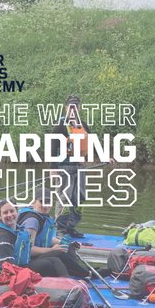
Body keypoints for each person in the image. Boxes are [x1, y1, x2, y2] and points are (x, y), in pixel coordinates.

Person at [0, 199, 87, 281]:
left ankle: (77, 277)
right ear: (0, 216)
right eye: (5, 213)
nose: (9, 215)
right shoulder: (1, 236)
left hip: (19, 266)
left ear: (17, 211)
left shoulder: (18, 229)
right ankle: (69, 284)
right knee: (49, 264)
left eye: (12, 211)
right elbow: (8, 268)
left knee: (55, 260)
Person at [17, 195, 91, 278]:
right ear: (34, 202)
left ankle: (80, 271)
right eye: (42, 202)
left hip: (38, 256)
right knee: (59, 254)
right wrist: (51, 250)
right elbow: (28, 250)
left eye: (48, 202)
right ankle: (84, 274)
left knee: (68, 246)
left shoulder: (42, 217)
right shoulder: (32, 222)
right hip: (29, 260)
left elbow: (44, 238)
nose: (45, 206)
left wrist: (64, 242)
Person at [48, 94, 91, 238]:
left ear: (79, 108)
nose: (73, 109)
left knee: (79, 198)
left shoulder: (83, 125)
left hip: (79, 167)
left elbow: (94, 144)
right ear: (66, 108)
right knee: (64, 198)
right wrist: (53, 169)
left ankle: (71, 227)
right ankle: (60, 230)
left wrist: (105, 157)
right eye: (70, 106)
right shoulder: (60, 126)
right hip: (63, 168)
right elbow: (52, 149)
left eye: (76, 106)